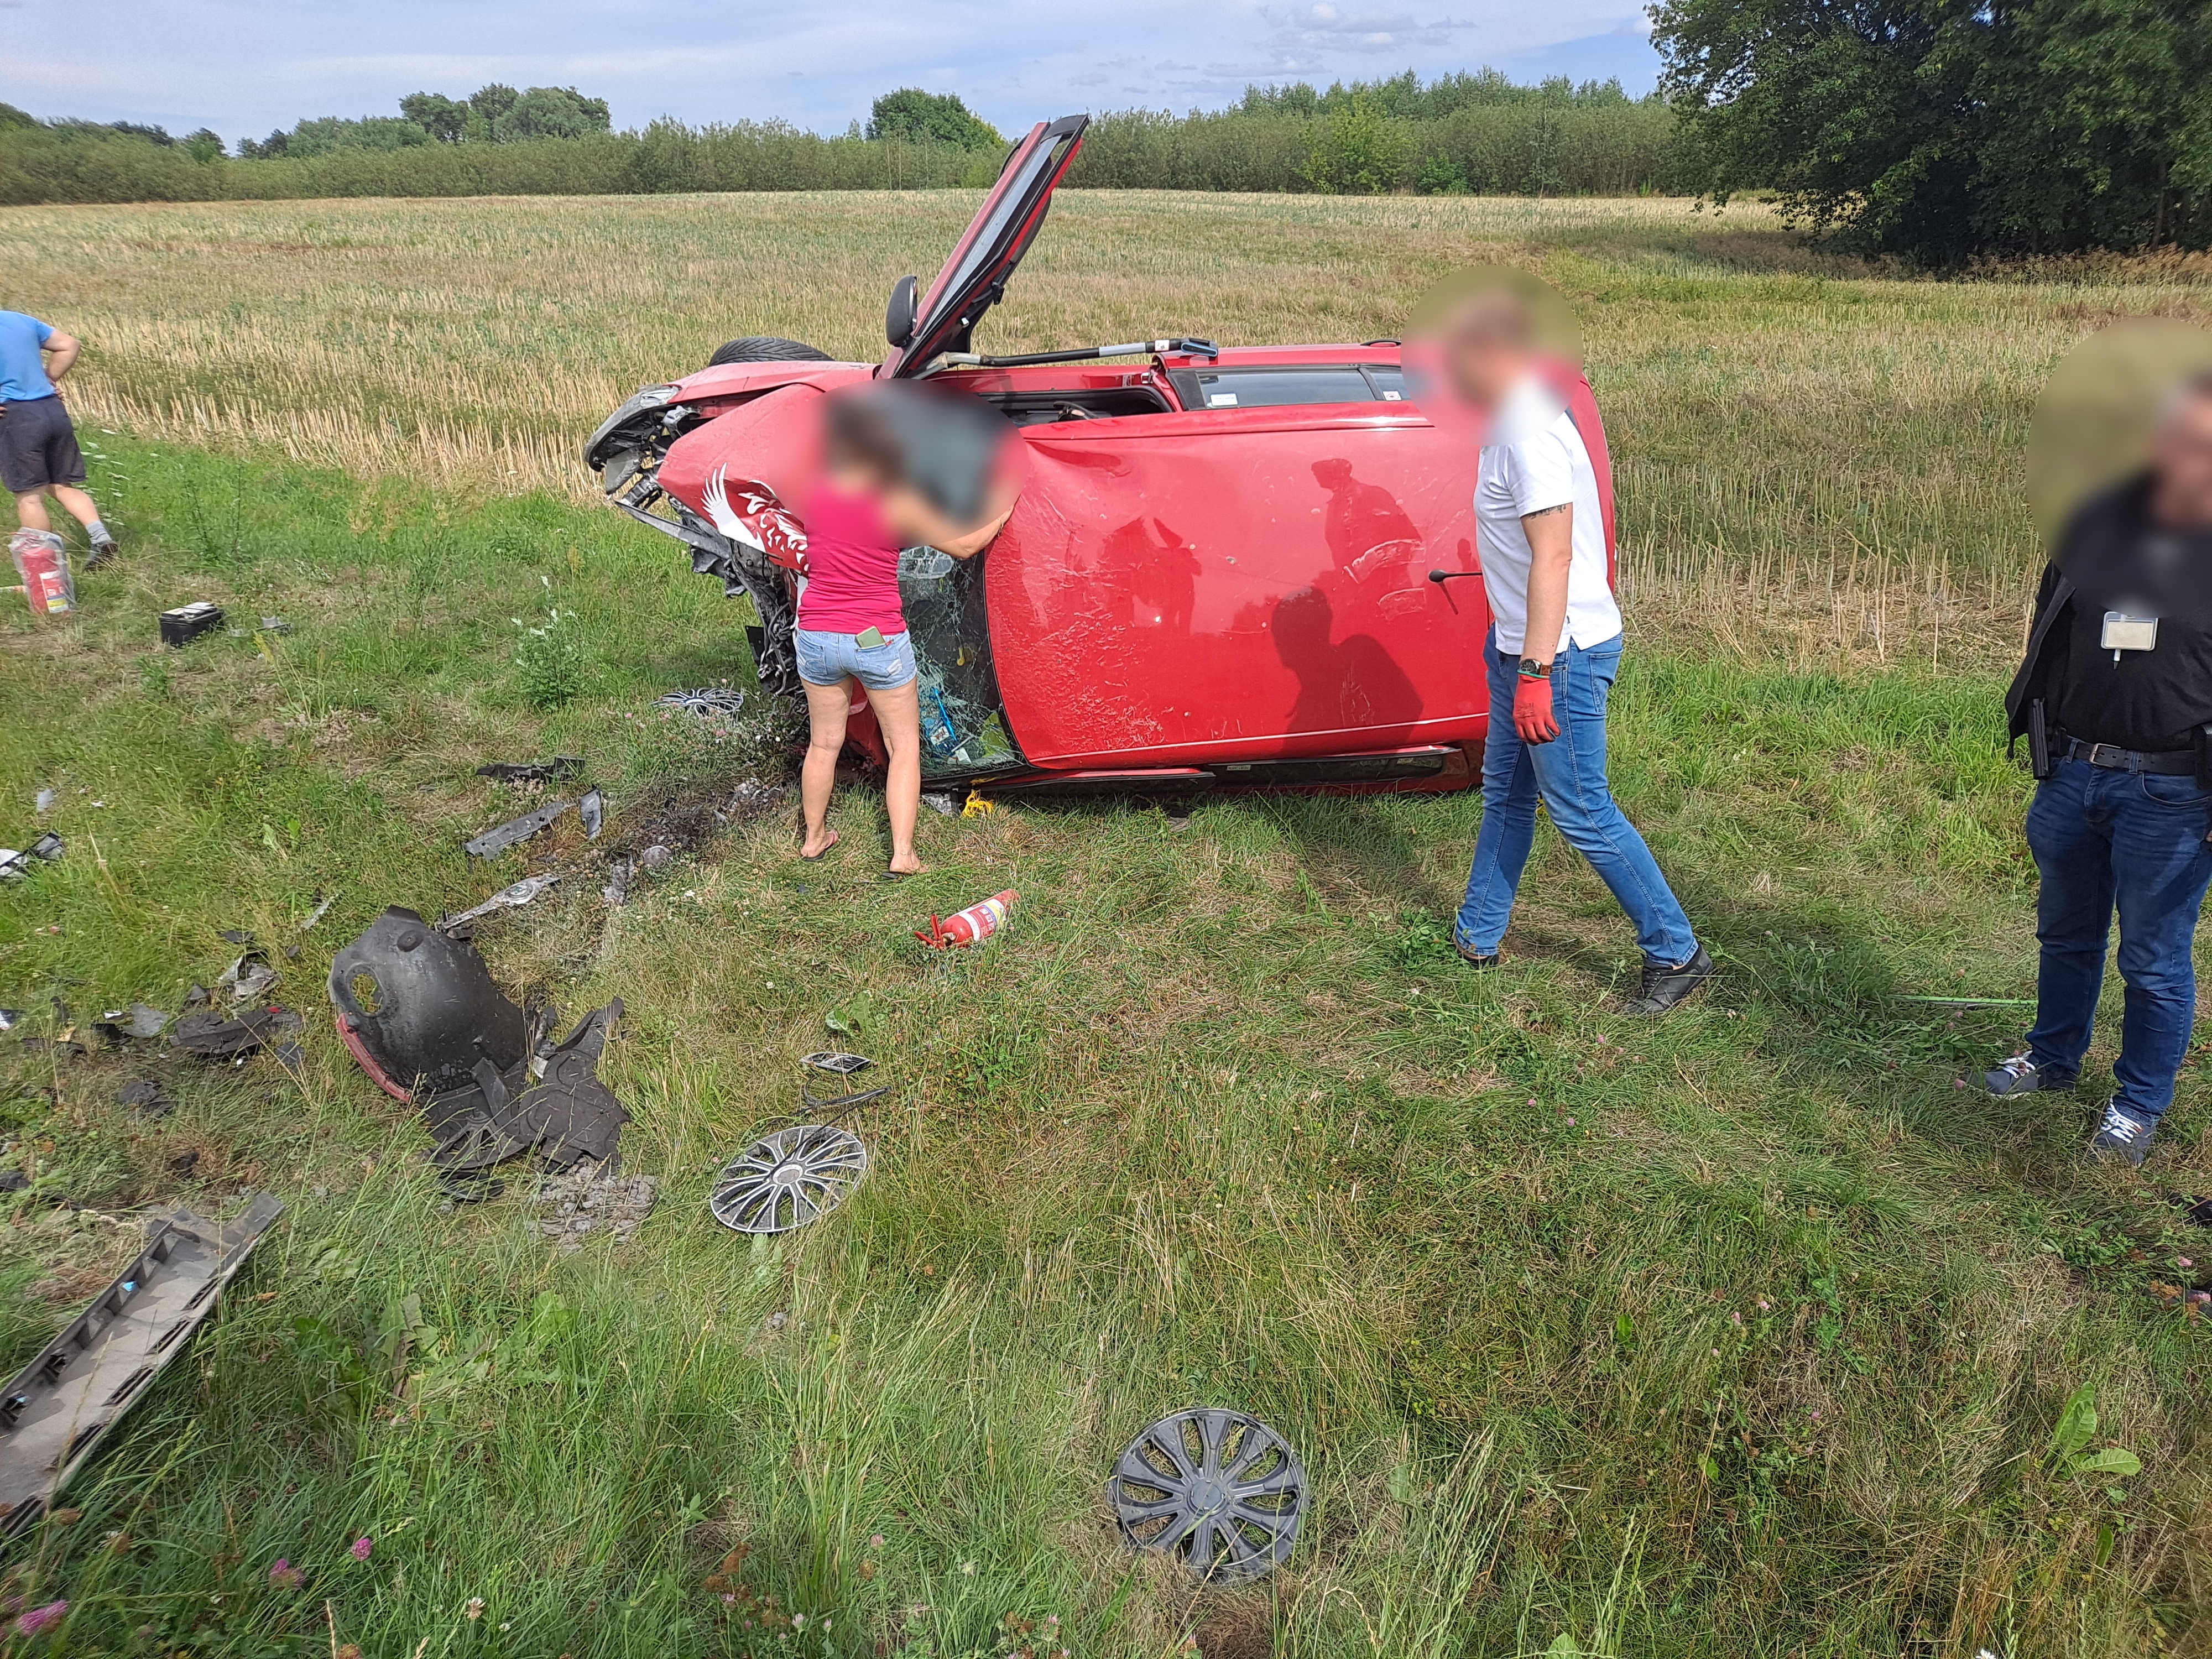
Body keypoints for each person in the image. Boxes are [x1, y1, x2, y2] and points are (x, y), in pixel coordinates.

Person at [1443, 291, 1712, 1013]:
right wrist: (1511, 653)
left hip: (1558, 657)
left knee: (1583, 810)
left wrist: (1534, 673)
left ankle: (1676, 951)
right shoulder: (1512, 418)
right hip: (1521, 649)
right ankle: (1477, 934)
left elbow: (1553, 558)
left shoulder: (1528, 430)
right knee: (1505, 794)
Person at [1988, 370, 2212, 1165]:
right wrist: (2042, 739)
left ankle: (2137, 1105)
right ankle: (2051, 1059)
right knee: (2065, 933)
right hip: (2075, 775)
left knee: (2153, 958)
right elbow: (2052, 634)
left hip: (2177, 792)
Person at [795, 392, 1014, 876]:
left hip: (815, 634)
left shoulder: (814, 491)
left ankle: (813, 840)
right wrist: (1003, 506)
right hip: (875, 638)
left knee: (824, 744)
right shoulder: (898, 501)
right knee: (904, 747)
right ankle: (903, 854)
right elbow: (965, 544)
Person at [0, 309, 117, 565]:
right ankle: (100, 537)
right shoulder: (20, 320)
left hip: (15, 417)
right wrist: (49, 379)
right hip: (53, 409)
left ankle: (47, 571)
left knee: (30, 497)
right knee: (62, 485)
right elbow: (70, 345)